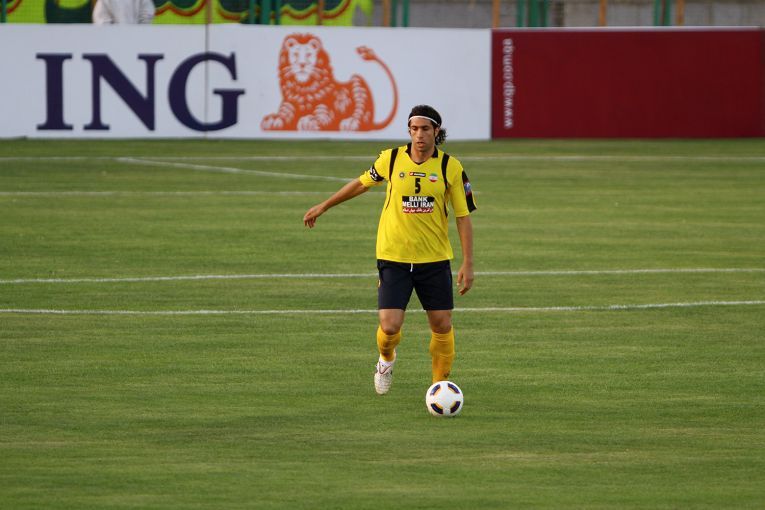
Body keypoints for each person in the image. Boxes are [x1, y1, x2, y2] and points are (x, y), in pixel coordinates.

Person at [303, 105, 477, 395]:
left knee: (442, 324)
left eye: (425, 129)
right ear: (409, 131)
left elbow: (463, 216)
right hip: (393, 256)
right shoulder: (391, 159)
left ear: (436, 131)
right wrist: (324, 205)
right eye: (414, 129)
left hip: (434, 259)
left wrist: (468, 262)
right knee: (390, 326)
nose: (419, 135)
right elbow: (361, 184)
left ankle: (439, 387)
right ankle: (385, 360)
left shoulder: (451, 167)